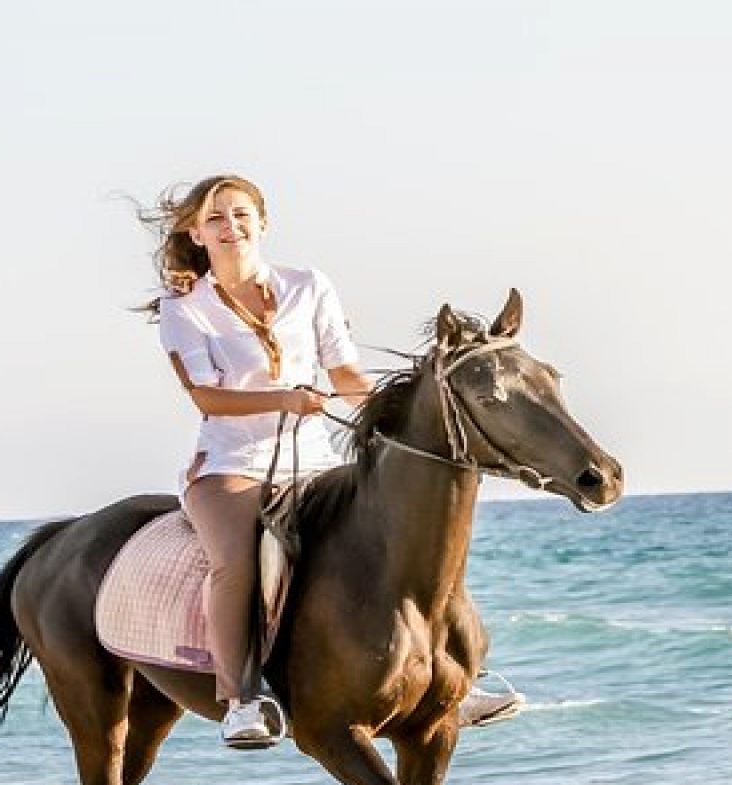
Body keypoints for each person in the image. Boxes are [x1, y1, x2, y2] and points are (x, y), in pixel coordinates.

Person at [144, 175, 522, 748]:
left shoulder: (309, 286)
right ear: (195, 233)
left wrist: (389, 417)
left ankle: (454, 678)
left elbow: (344, 375)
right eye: (216, 218)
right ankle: (242, 699)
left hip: (317, 461)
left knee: (412, 540)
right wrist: (286, 398)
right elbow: (206, 397)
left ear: (263, 222)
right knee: (236, 563)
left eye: (242, 214)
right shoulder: (185, 308)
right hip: (232, 465)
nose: (231, 227)